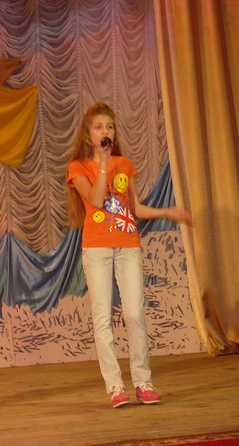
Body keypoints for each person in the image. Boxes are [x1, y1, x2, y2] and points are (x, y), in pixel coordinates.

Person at [66, 102, 191, 409]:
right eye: (99, 127)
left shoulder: (125, 163)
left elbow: (135, 209)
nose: (105, 131)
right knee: (102, 318)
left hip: (128, 245)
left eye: (109, 126)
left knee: (135, 313)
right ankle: (115, 387)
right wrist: (103, 164)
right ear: (88, 134)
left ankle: (143, 382)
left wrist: (168, 212)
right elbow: (96, 201)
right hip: (97, 247)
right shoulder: (78, 167)